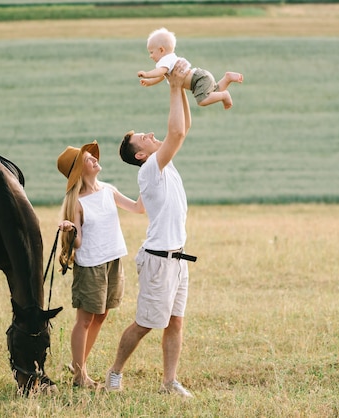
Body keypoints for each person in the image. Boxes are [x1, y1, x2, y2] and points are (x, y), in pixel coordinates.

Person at [105, 59, 197, 398]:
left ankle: (169, 383)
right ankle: (114, 372)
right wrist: (173, 86)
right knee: (146, 323)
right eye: (146, 137)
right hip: (159, 259)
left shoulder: (164, 165)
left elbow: (182, 127)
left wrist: (183, 87)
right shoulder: (151, 170)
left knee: (175, 322)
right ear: (141, 155)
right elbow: (176, 132)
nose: (153, 135)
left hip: (178, 259)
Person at [56, 140, 145, 389]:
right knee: (85, 320)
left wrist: (151, 177)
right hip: (91, 265)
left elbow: (138, 208)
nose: (95, 159)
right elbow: (78, 242)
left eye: (93, 157)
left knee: (101, 316)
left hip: (113, 260)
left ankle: (79, 366)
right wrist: (71, 229)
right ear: (80, 170)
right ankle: (79, 375)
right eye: (88, 159)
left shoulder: (108, 190)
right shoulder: (78, 202)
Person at [137, 27, 243, 110]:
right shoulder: (169, 60)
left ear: (161, 50)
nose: (150, 56)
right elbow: (161, 76)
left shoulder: (165, 60)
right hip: (200, 77)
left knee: (202, 101)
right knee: (214, 92)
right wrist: (150, 82)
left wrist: (147, 74)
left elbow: (159, 72)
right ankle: (227, 78)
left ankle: (225, 95)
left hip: (197, 79)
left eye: (151, 52)